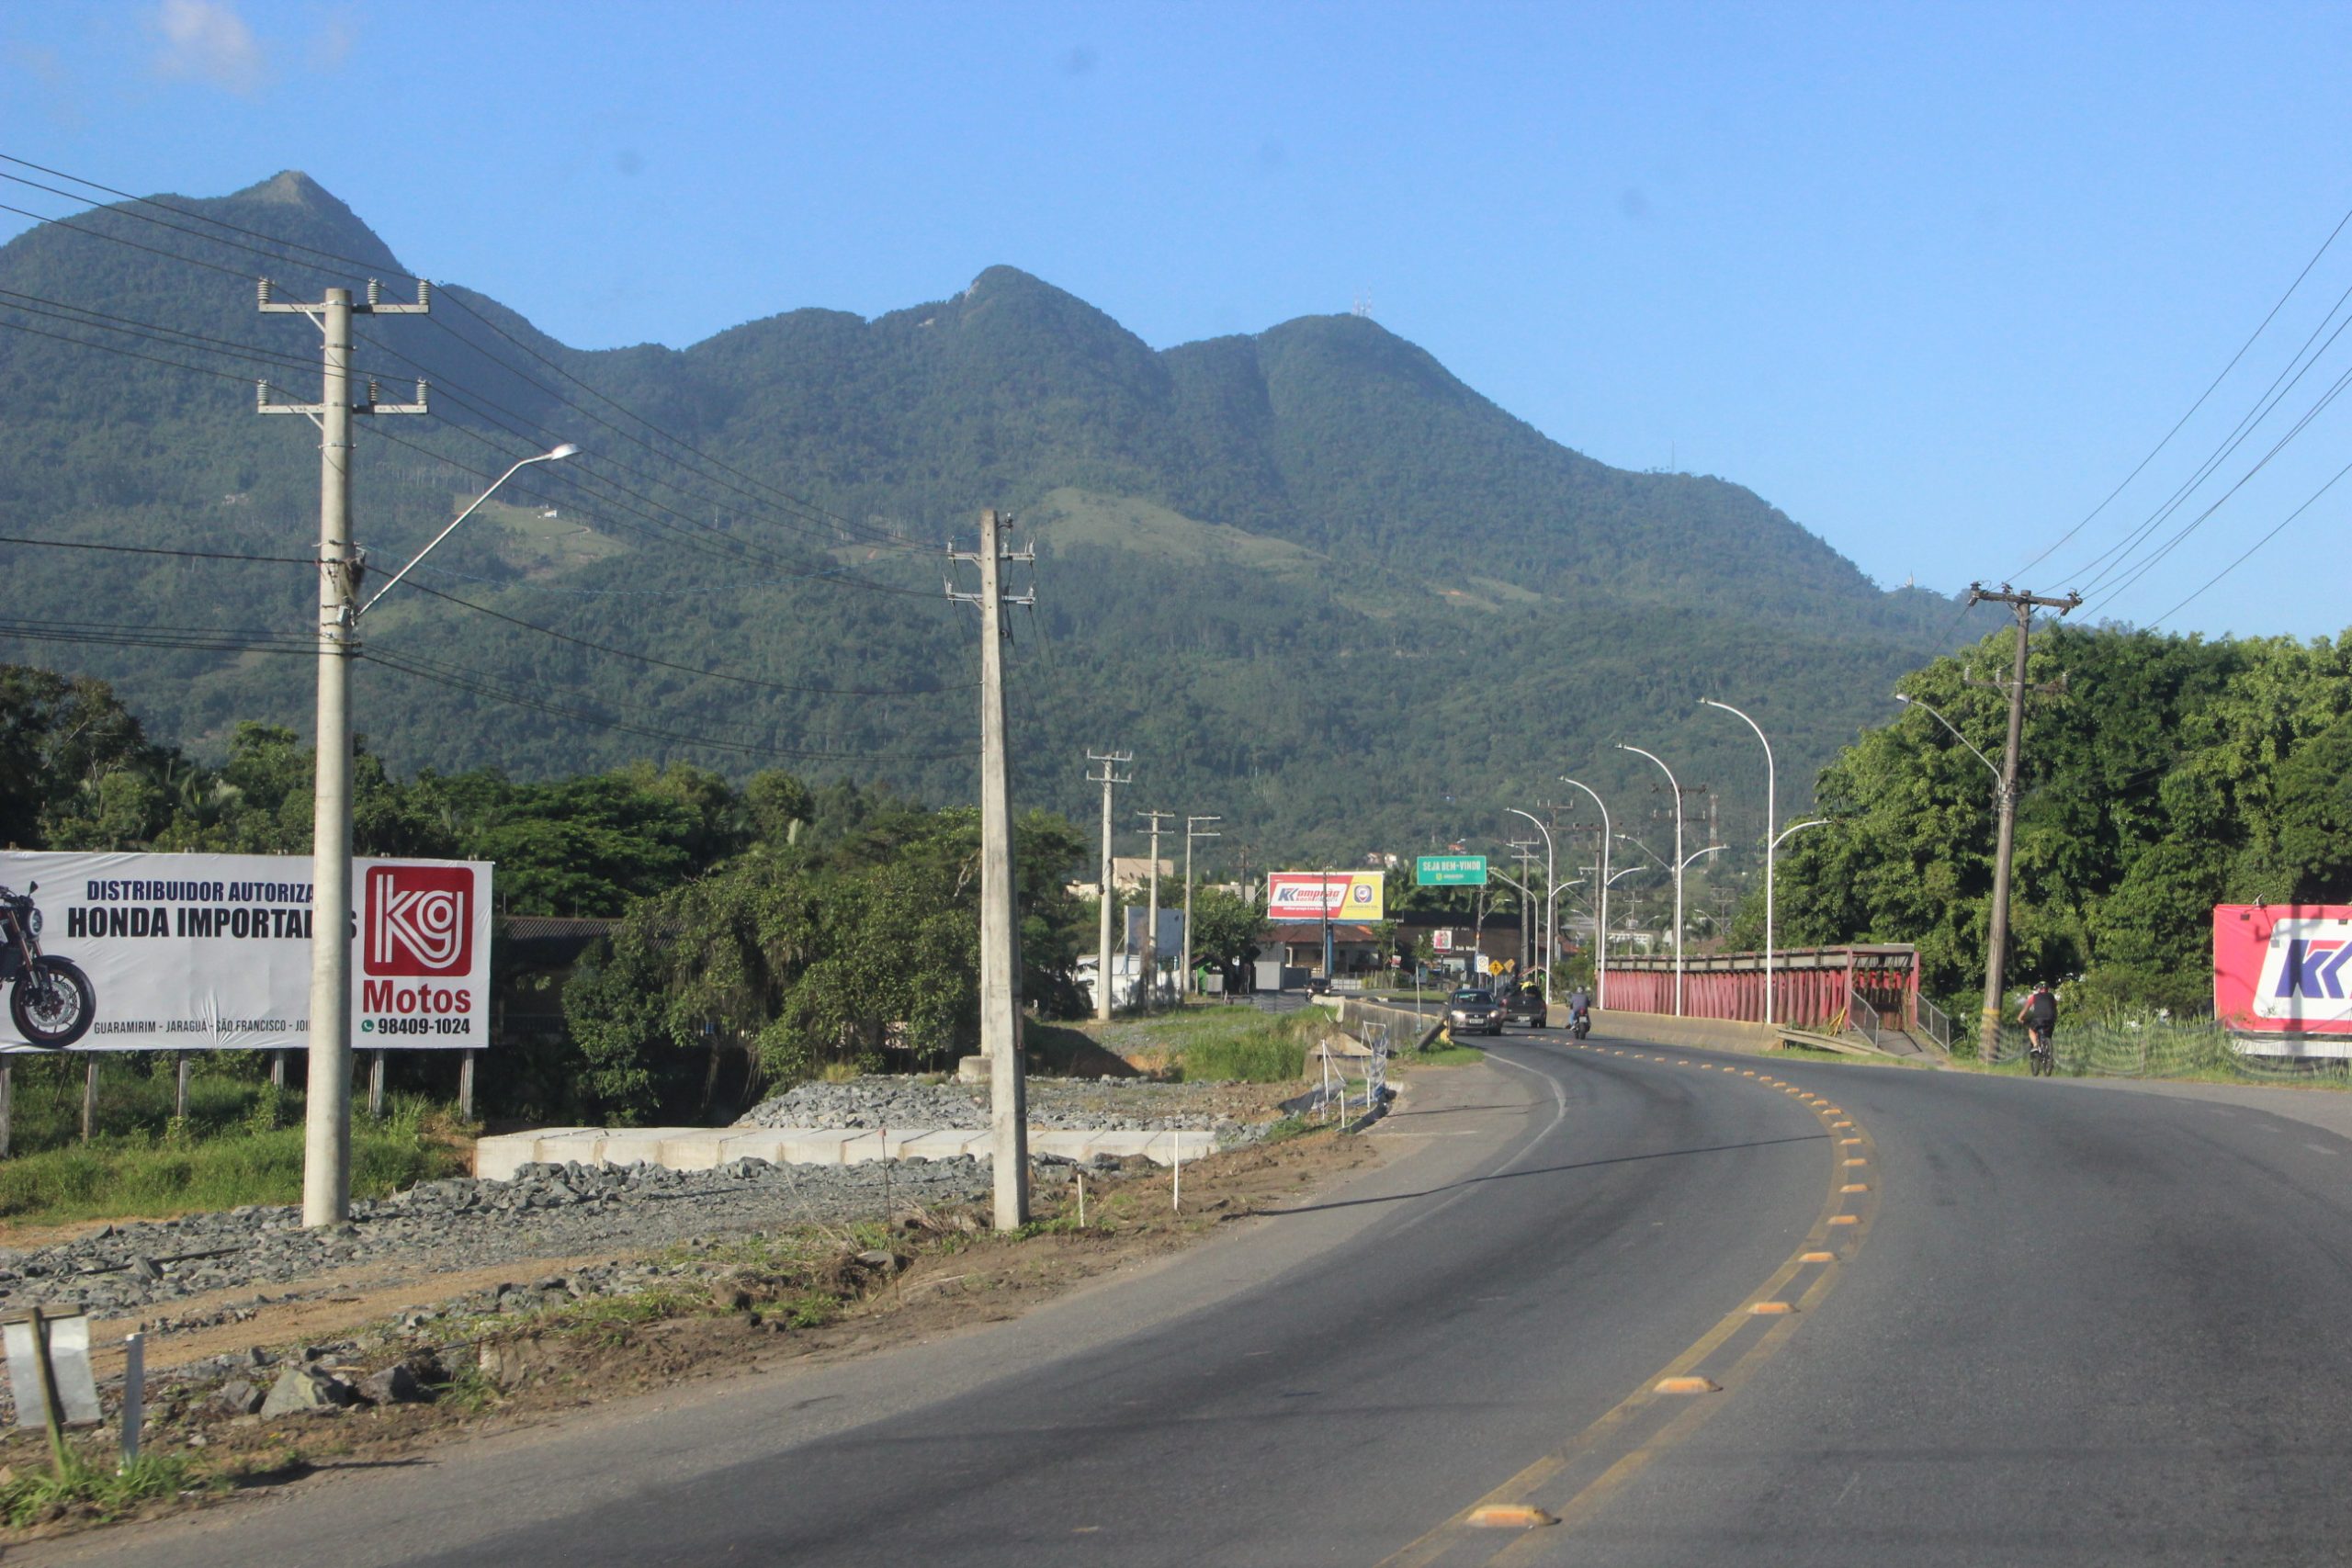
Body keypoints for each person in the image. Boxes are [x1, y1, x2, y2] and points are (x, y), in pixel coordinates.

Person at [2018, 981, 2057, 1058]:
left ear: (2039, 989)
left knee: (2031, 1030)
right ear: (2047, 989)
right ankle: (2048, 1056)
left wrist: (2020, 1018)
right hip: (2050, 1019)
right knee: (2048, 1035)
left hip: (2038, 1018)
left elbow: (2026, 1008)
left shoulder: (2034, 997)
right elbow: (2055, 1006)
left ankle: (2036, 1046)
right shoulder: (2051, 996)